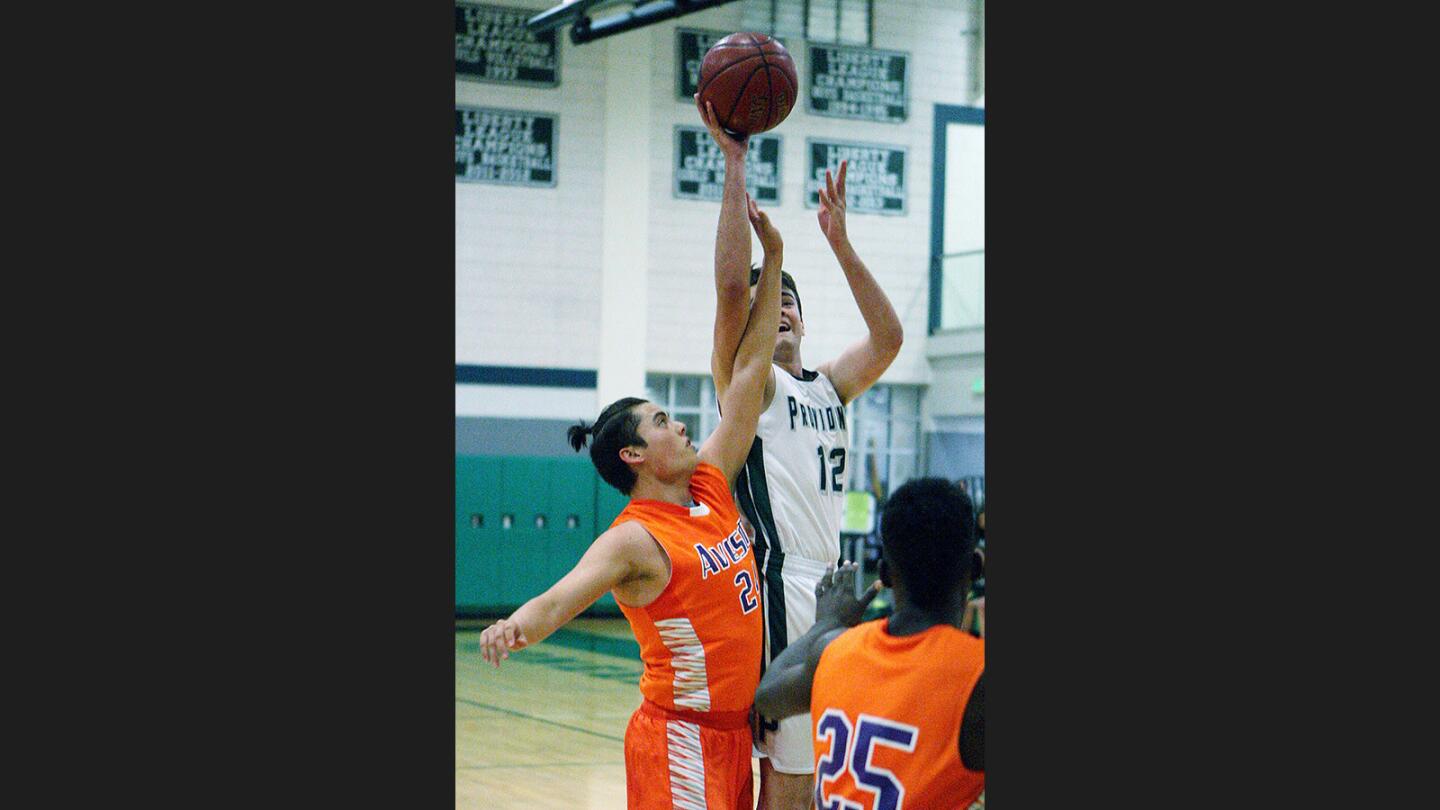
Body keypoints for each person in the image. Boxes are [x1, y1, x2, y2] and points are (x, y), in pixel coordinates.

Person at [477, 191, 785, 809]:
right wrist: (514, 627)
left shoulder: (708, 485)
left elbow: (750, 374)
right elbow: (564, 595)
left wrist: (772, 260)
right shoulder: (633, 538)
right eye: (662, 420)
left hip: (731, 738)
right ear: (634, 456)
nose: (679, 426)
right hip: (678, 739)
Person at [698, 96, 905, 809]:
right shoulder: (751, 386)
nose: (778, 306)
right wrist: (734, 164)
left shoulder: (826, 386)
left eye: (789, 300)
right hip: (780, 583)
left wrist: (840, 245)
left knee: (815, 774)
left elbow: (887, 341)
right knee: (787, 778)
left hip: (831, 589)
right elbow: (731, 288)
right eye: (768, 302)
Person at [752, 478, 985, 809]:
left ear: (885, 574)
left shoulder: (834, 649)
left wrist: (826, 624)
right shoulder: (976, 677)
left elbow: (768, 697)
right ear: (975, 567)